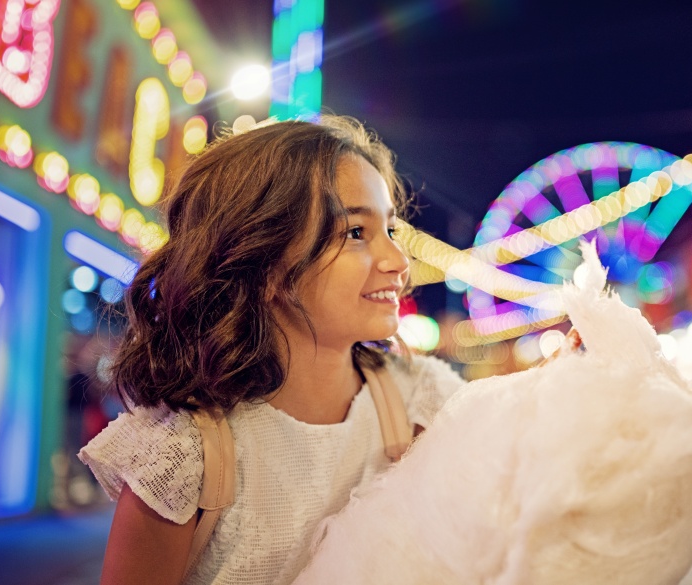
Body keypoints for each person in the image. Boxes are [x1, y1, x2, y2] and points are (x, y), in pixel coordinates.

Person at [79, 116, 464, 584]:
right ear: (263, 261)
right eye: (356, 233)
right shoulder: (182, 455)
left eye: (391, 231)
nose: (399, 262)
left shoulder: (421, 401)